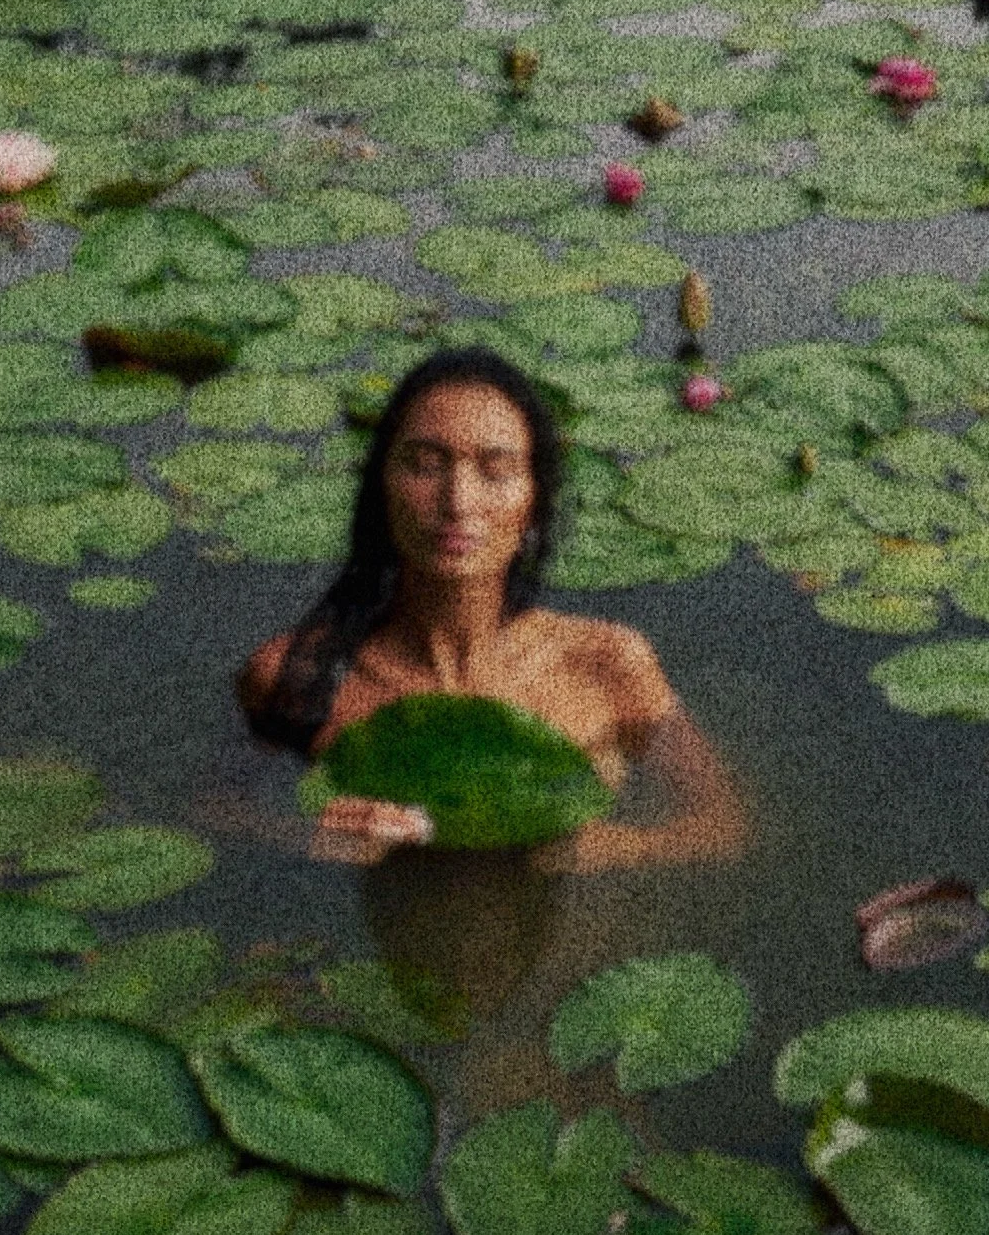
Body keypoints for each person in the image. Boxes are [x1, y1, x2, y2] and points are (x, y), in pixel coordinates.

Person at [236, 344, 753, 874]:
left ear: (534, 501)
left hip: (573, 941)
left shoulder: (608, 663)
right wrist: (309, 837)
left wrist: (617, 848)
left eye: (495, 469)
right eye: (424, 465)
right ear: (381, 490)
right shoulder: (294, 675)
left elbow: (723, 826)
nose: (458, 500)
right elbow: (219, 810)